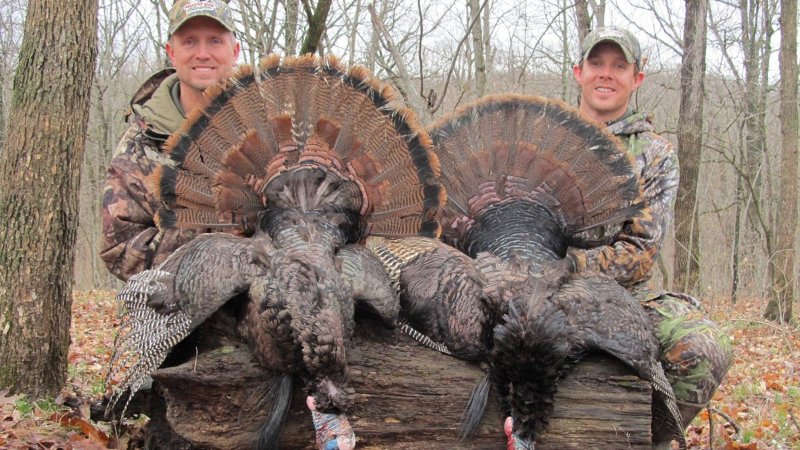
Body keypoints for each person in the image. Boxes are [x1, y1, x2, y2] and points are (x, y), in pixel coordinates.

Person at [568, 27, 732, 446]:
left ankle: (640, 438)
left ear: (636, 79)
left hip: (624, 294)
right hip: (532, 285)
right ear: (578, 72)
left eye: (619, 66)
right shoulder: (542, 135)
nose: (606, 74)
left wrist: (569, 265)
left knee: (704, 348)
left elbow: (638, 254)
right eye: (597, 64)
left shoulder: (656, 154)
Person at [101, 0, 240, 281]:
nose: (203, 54)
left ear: (234, 51)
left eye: (215, 41)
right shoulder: (142, 145)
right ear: (172, 53)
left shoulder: (277, 126)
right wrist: (209, 232)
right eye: (190, 41)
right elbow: (119, 248)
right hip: (182, 314)